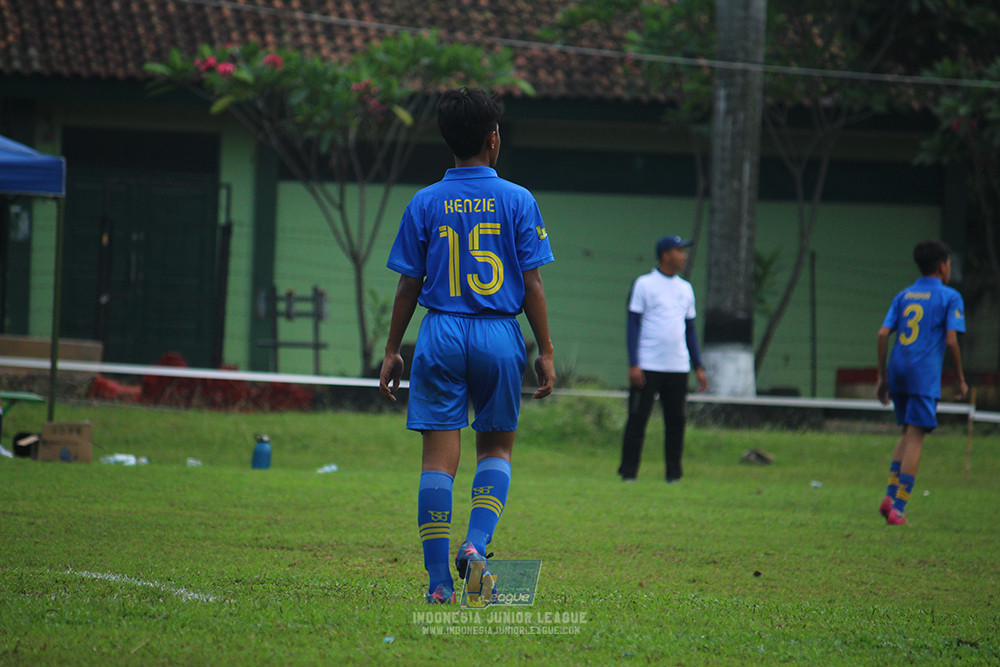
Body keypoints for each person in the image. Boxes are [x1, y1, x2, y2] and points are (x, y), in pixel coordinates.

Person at [378, 88, 556, 604]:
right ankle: (475, 547)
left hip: (440, 333)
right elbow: (533, 284)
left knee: (438, 461)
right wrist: (543, 349)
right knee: (495, 448)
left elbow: (408, 283)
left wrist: (393, 346)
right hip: (500, 333)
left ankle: (438, 587)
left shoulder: (425, 201)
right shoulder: (519, 199)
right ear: (493, 140)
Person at [876, 239, 967, 525]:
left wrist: (883, 376)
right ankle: (899, 508)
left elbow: (882, 334)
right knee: (917, 436)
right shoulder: (950, 297)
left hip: (898, 367)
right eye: (949, 263)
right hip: (922, 373)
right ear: (942, 266)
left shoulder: (904, 295)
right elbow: (951, 339)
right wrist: (960, 379)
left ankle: (890, 495)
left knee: (906, 432)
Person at [618, 235, 708, 483]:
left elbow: (690, 329)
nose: (684, 256)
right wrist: (634, 362)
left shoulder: (685, 289)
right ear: (666, 254)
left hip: (677, 366)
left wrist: (697, 366)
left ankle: (673, 475)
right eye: (679, 251)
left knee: (676, 422)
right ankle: (629, 474)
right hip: (648, 365)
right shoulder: (644, 284)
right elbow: (633, 326)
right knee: (637, 420)